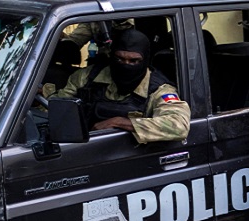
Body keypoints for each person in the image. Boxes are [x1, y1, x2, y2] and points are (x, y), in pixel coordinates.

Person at [52, 28, 190, 144]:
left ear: (145, 60)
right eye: (120, 59)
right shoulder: (87, 77)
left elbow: (179, 125)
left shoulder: (158, 90)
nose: (126, 65)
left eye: (134, 61)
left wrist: (119, 122)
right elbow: (58, 106)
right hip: (83, 149)